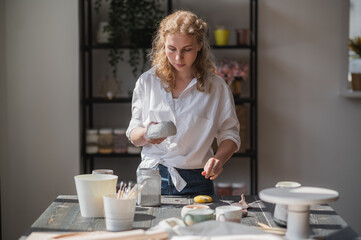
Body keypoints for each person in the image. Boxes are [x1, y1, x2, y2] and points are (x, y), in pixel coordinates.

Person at [126, 10, 240, 196]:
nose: (178, 58)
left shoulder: (216, 87)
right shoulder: (147, 82)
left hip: (198, 178)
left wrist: (219, 159)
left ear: (199, 46)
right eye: (172, 49)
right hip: (152, 176)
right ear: (163, 45)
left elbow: (230, 134)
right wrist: (147, 134)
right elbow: (133, 134)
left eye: (187, 50)